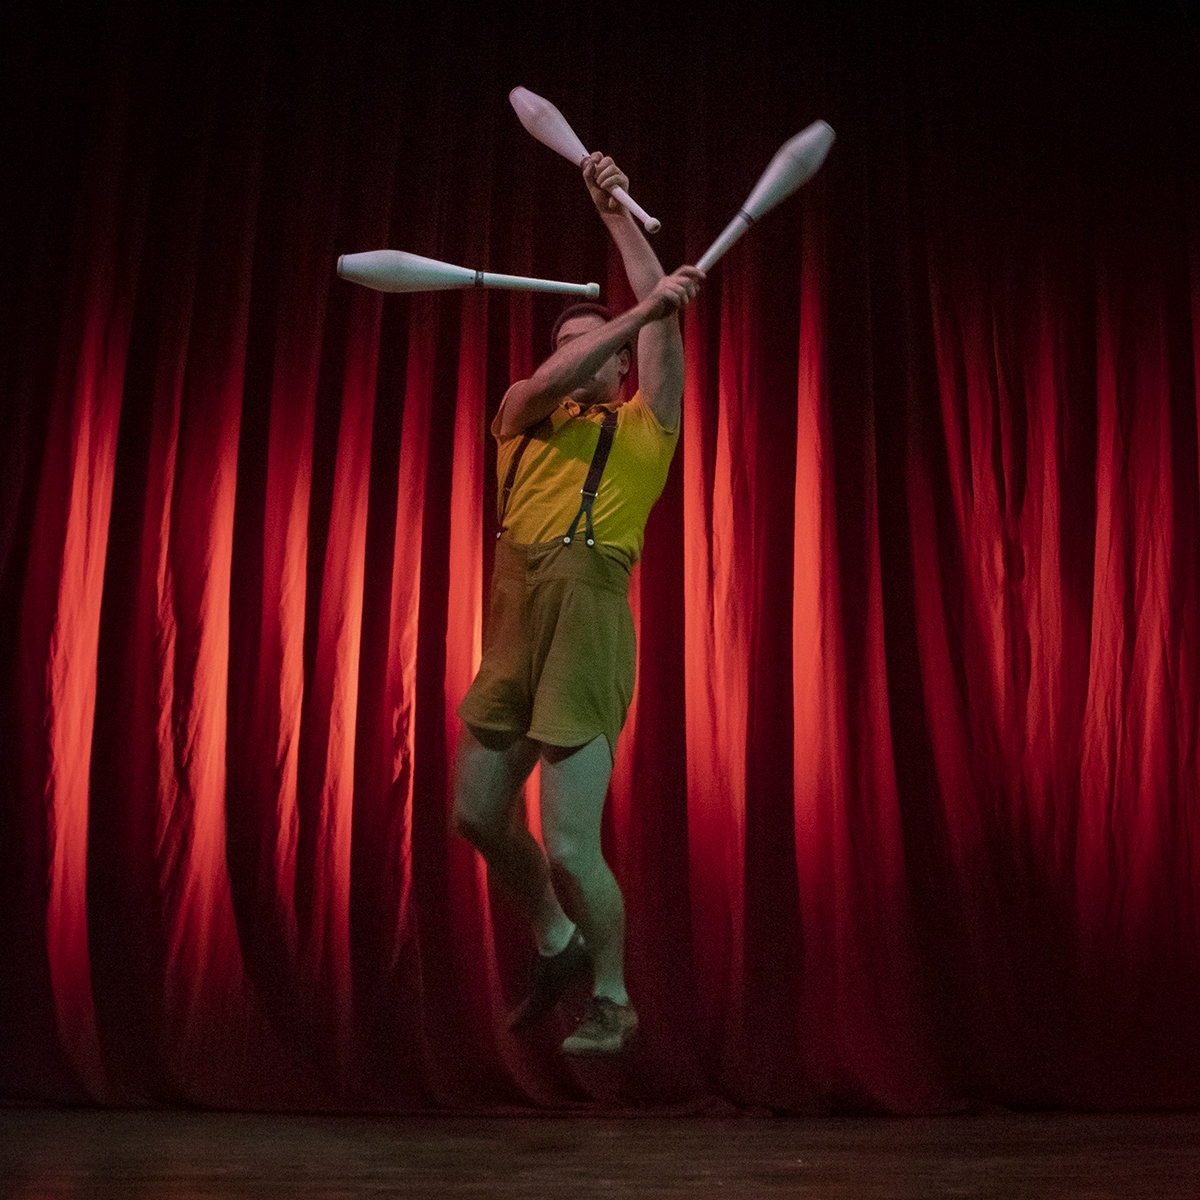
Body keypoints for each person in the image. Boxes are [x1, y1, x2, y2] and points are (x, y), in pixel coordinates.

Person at [454, 151, 703, 1056]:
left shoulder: (646, 428)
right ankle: (556, 942)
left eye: (592, 344)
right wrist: (643, 307)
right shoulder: (521, 412)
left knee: (567, 844)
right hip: (516, 617)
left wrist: (613, 213)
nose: (573, 354)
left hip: (589, 619)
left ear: (624, 367)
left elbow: (658, 331)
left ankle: (612, 996)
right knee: (477, 812)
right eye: (563, 343)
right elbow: (602, 345)